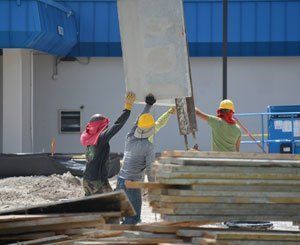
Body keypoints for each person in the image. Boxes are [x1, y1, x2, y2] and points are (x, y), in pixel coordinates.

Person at [116, 94, 176, 224]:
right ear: (151, 129)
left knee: (122, 217)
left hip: (120, 180)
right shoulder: (149, 147)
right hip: (132, 183)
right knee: (133, 219)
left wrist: (148, 105)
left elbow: (138, 121)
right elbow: (150, 169)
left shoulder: (130, 136)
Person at [80, 92, 136, 196]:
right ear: (101, 126)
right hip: (98, 181)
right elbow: (116, 125)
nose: (107, 127)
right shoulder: (101, 138)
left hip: (87, 180)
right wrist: (127, 109)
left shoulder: (90, 138)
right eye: (105, 125)